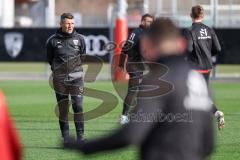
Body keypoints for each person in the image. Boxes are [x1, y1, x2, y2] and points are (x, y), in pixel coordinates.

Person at [64, 18, 215, 160]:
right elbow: (208, 144)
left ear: (147, 45)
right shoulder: (197, 78)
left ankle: (123, 115)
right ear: (182, 44)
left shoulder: (157, 80)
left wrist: (84, 147)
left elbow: (130, 135)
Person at [46, 13, 86, 142]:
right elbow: (49, 59)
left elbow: (83, 56)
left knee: (78, 106)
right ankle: (66, 138)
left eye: (72, 23)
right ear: (61, 24)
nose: (70, 26)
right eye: (68, 23)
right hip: (60, 79)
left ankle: (80, 137)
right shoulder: (52, 40)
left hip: (76, 77)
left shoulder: (80, 39)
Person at [184, 5, 224, 130]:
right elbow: (217, 48)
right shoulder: (209, 29)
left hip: (194, 66)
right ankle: (217, 113)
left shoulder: (189, 31)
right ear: (203, 15)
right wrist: (207, 54)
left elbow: (189, 48)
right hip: (207, 66)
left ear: (191, 15)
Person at [119, 13, 154, 125]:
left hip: (138, 65)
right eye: (148, 21)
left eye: (151, 22)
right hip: (135, 65)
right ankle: (124, 117)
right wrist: (121, 63)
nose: (150, 24)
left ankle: (137, 115)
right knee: (133, 91)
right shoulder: (138, 33)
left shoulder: (141, 33)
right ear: (142, 21)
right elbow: (127, 49)